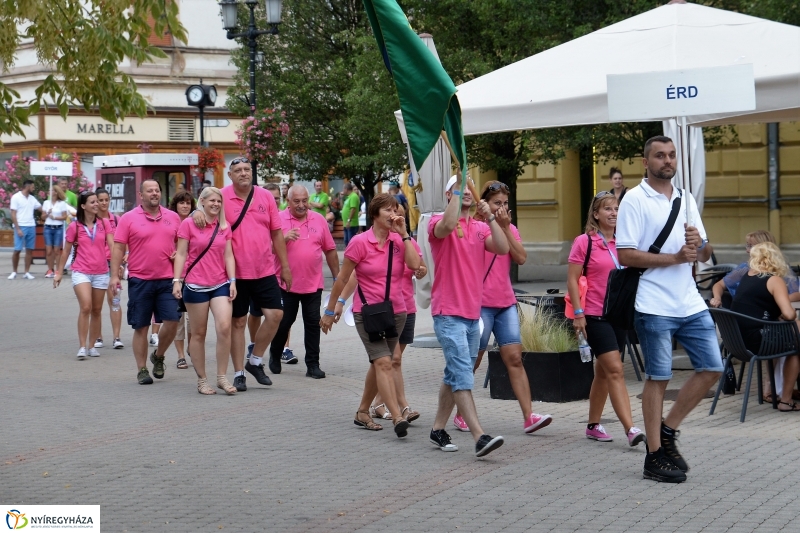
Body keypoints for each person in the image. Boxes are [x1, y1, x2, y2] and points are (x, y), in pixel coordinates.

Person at [616, 135, 723, 483]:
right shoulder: (634, 199)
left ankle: (667, 431)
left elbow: (705, 252)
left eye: (672, 155)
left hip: (689, 300)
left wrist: (700, 246)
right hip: (653, 302)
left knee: (712, 367)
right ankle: (653, 456)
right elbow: (626, 254)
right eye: (660, 156)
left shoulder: (685, 198)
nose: (668, 161)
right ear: (646, 162)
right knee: (658, 377)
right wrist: (675, 257)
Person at [457, 180, 554, 435]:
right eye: (496, 203)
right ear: (484, 205)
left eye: (505, 204)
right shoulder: (476, 228)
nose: (502, 208)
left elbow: (521, 257)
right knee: (473, 359)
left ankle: (528, 416)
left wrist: (507, 228)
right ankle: (461, 413)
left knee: (514, 358)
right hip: (479, 304)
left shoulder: (509, 228)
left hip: (505, 303)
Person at [321, 193, 420, 438]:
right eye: (387, 210)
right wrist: (330, 309)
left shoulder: (399, 241)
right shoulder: (360, 242)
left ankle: (363, 411)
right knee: (384, 362)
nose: (393, 214)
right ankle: (397, 416)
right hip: (368, 313)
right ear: (375, 214)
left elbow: (415, 265)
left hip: (397, 312)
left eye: (395, 209)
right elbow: (343, 278)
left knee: (380, 363)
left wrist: (405, 234)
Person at [427, 176, 510, 457]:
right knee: (463, 373)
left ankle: (438, 428)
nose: (464, 193)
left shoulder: (478, 227)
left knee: (454, 373)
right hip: (447, 313)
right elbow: (447, 226)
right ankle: (479, 436)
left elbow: (502, 248)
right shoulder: (437, 222)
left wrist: (490, 220)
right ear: (448, 194)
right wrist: (455, 197)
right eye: (457, 189)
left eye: (466, 188)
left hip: (473, 315)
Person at [192, 157, 291, 392]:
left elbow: (277, 233)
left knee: (276, 315)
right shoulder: (223, 195)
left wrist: (285, 266)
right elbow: (204, 204)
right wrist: (196, 212)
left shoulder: (265, 197)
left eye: (247, 169)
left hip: (265, 268)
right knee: (238, 322)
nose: (244, 173)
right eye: (238, 170)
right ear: (230, 175)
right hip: (234, 272)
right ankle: (238, 374)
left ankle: (255, 361)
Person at [567, 191, 645, 446]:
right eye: (608, 209)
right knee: (615, 369)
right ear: (596, 214)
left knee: (602, 372)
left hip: (618, 314)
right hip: (594, 314)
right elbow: (572, 280)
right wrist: (578, 314)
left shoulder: (625, 242)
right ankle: (631, 428)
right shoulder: (585, 242)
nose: (613, 213)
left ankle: (592, 425)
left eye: (616, 208)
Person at [109, 179, 182, 385]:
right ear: (141, 195)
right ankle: (142, 369)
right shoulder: (128, 219)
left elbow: (182, 245)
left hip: (168, 279)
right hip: (140, 280)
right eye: (149, 191)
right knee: (140, 326)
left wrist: (179, 255)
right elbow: (118, 248)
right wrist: (114, 276)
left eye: (157, 190)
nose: (154, 193)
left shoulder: (173, 217)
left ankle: (158, 356)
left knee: (172, 321)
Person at [269, 185, 340, 379]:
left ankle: (313, 365)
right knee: (284, 323)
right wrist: (282, 238)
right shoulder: (278, 219)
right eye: (296, 201)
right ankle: (275, 354)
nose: (301, 205)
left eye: (304, 201)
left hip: (313, 284)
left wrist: (337, 278)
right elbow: (266, 250)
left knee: (312, 323)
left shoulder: (318, 219)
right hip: (285, 283)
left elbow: (331, 250)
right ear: (288, 201)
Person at [173, 187, 237, 395]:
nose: (216, 204)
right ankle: (202, 379)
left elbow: (228, 255)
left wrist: (233, 281)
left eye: (219, 201)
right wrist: (177, 280)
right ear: (202, 201)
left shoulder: (224, 226)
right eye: (211, 201)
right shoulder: (189, 223)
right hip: (195, 285)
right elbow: (181, 254)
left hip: (220, 283)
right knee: (198, 333)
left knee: (225, 327)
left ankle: (222, 377)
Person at [367, 204, 426, 421]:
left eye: (399, 213)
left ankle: (375, 404)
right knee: (393, 359)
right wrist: (338, 302)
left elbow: (421, 265)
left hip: (406, 308)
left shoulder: (407, 241)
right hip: (383, 309)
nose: (395, 216)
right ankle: (402, 407)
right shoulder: (376, 242)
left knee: (391, 360)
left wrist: (421, 271)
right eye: (391, 212)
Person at [730, 242, 800, 412]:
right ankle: (786, 400)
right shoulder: (774, 280)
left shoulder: (747, 276)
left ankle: (772, 389)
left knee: (795, 336)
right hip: (759, 341)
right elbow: (790, 315)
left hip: (738, 342)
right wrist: (786, 314)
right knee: (796, 347)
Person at [53, 191, 114, 358]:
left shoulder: (105, 223)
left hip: (101, 272)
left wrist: (116, 268)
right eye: (93, 202)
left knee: (96, 310)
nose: (97, 204)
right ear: (83, 205)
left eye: (97, 202)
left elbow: (113, 246)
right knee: (86, 306)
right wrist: (58, 273)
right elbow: (65, 251)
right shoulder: (75, 226)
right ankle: (82, 346)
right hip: (81, 271)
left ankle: (92, 345)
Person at [710, 230, 800, 308]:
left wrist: (778, 300)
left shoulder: (781, 268)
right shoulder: (746, 268)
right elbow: (719, 285)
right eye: (747, 245)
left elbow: (796, 294)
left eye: (751, 246)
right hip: (759, 319)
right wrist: (717, 298)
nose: (747, 250)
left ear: (764, 248)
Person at [169, 191, 197, 369]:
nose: (185, 206)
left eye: (188, 203)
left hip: (193, 275)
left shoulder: (197, 222)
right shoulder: (171, 223)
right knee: (178, 319)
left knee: (193, 320)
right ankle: (180, 355)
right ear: (176, 205)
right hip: (175, 276)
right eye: (182, 203)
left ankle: (192, 348)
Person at [95, 188, 124, 350]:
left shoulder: (117, 220)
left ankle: (117, 337)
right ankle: (98, 336)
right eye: (100, 200)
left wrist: (120, 262)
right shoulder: (93, 221)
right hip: (96, 267)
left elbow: (122, 243)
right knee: (96, 304)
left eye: (106, 199)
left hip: (112, 265)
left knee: (115, 300)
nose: (104, 203)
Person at [8, 179, 41, 280]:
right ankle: (14, 271)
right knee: (17, 250)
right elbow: (13, 214)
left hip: (31, 226)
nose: (33, 188)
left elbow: (41, 208)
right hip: (21, 226)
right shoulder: (16, 197)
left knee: (29, 250)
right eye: (32, 186)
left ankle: (26, 272)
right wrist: (18, 229)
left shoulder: (32, 198)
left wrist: (50, 210)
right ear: (27, 186)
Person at [41, 185, 73, 278]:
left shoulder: (62, 203)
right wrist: (47, 213)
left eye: (51, 190)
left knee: (57, 250)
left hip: (58, 228)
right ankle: (50, 269)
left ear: (55, 192)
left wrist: (55, 217)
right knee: (49, 250)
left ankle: (58, 270)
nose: (49, 191)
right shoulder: (46, 203)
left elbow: (64, 217)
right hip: (48, 228)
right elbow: (42, 217)